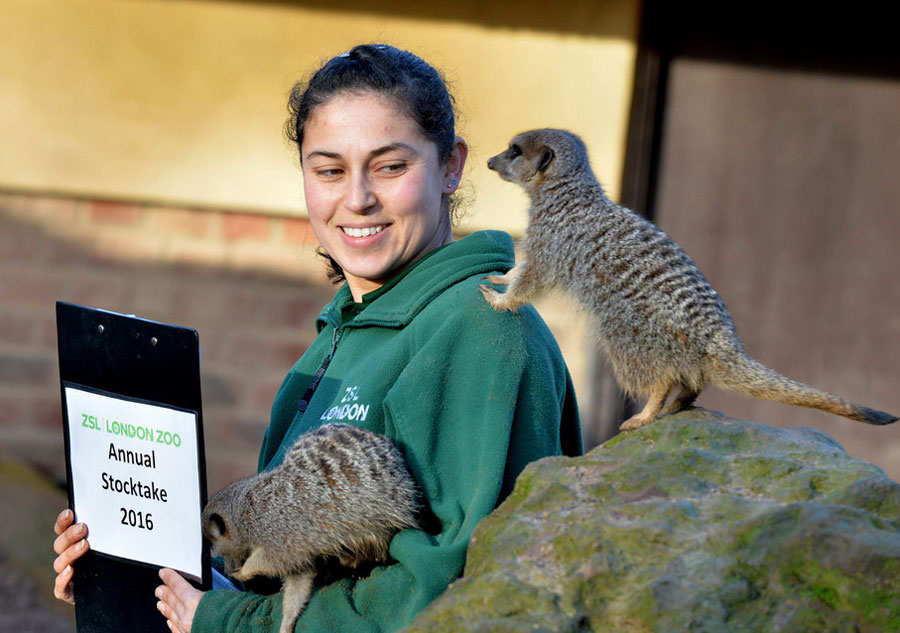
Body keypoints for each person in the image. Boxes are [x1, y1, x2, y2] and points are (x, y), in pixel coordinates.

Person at [52, 43, 583, 633]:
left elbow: (455, 593)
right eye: (329, 170)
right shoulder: (330, 343)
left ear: (451, 166)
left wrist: (228, 624)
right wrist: (137, 576)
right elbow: (298, 583)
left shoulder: (482, 328)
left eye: (390, 167)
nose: (356, 198)